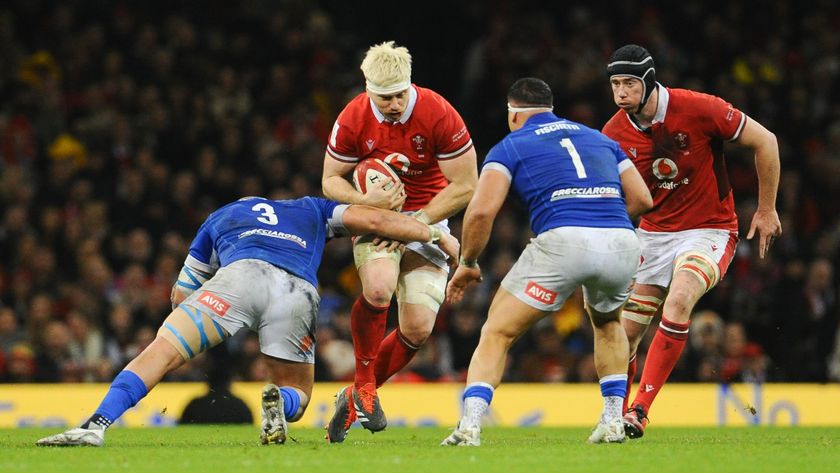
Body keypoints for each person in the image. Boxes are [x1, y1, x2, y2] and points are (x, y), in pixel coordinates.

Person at [35, 195, 459, 447]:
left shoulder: (220, 217)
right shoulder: (312, 208)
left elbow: (181, 293)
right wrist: (436, 235)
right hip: (296, 291)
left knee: (159, 354)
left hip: (239, 277)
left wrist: (191, 332)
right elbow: (378, 221)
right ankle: (277, 402)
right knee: (297, 392)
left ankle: (96, 425)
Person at [440, 77, 652, 446]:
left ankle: (470, 426)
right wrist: (604, 224)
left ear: (513, 113)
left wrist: (469, 261)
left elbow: (480, 213)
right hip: (621, 240)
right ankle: (613, 420)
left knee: (497, 332)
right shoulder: (602, 139)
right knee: (607, 323)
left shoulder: (511, 145)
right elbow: (643, 199)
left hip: (562, 240)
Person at [601, 44, 782, 438]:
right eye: (615, 83)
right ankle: (612, 417)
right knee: (625, 333)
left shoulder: (699, 108)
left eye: (629, 83)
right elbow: (615, 195)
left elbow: (766, 141)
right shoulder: (613, 132)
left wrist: (766, 209)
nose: (621, 93)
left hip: (709, 229)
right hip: (651, 234)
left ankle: (639, 411)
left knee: (681, 296)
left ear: (649, 82)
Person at [320, 41, 477, 442]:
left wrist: (418, 225)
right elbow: (330, 180)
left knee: (420, 329)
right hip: (376, 216)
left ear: (410, 86)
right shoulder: (354, 114)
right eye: (383, 97)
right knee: (377, 287)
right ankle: (366, 386)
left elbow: (466, 185)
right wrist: (364, 202)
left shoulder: (438, 112)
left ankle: (354, 396)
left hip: (430, 217)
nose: (392, 104)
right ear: (368, 89)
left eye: (399, 96)